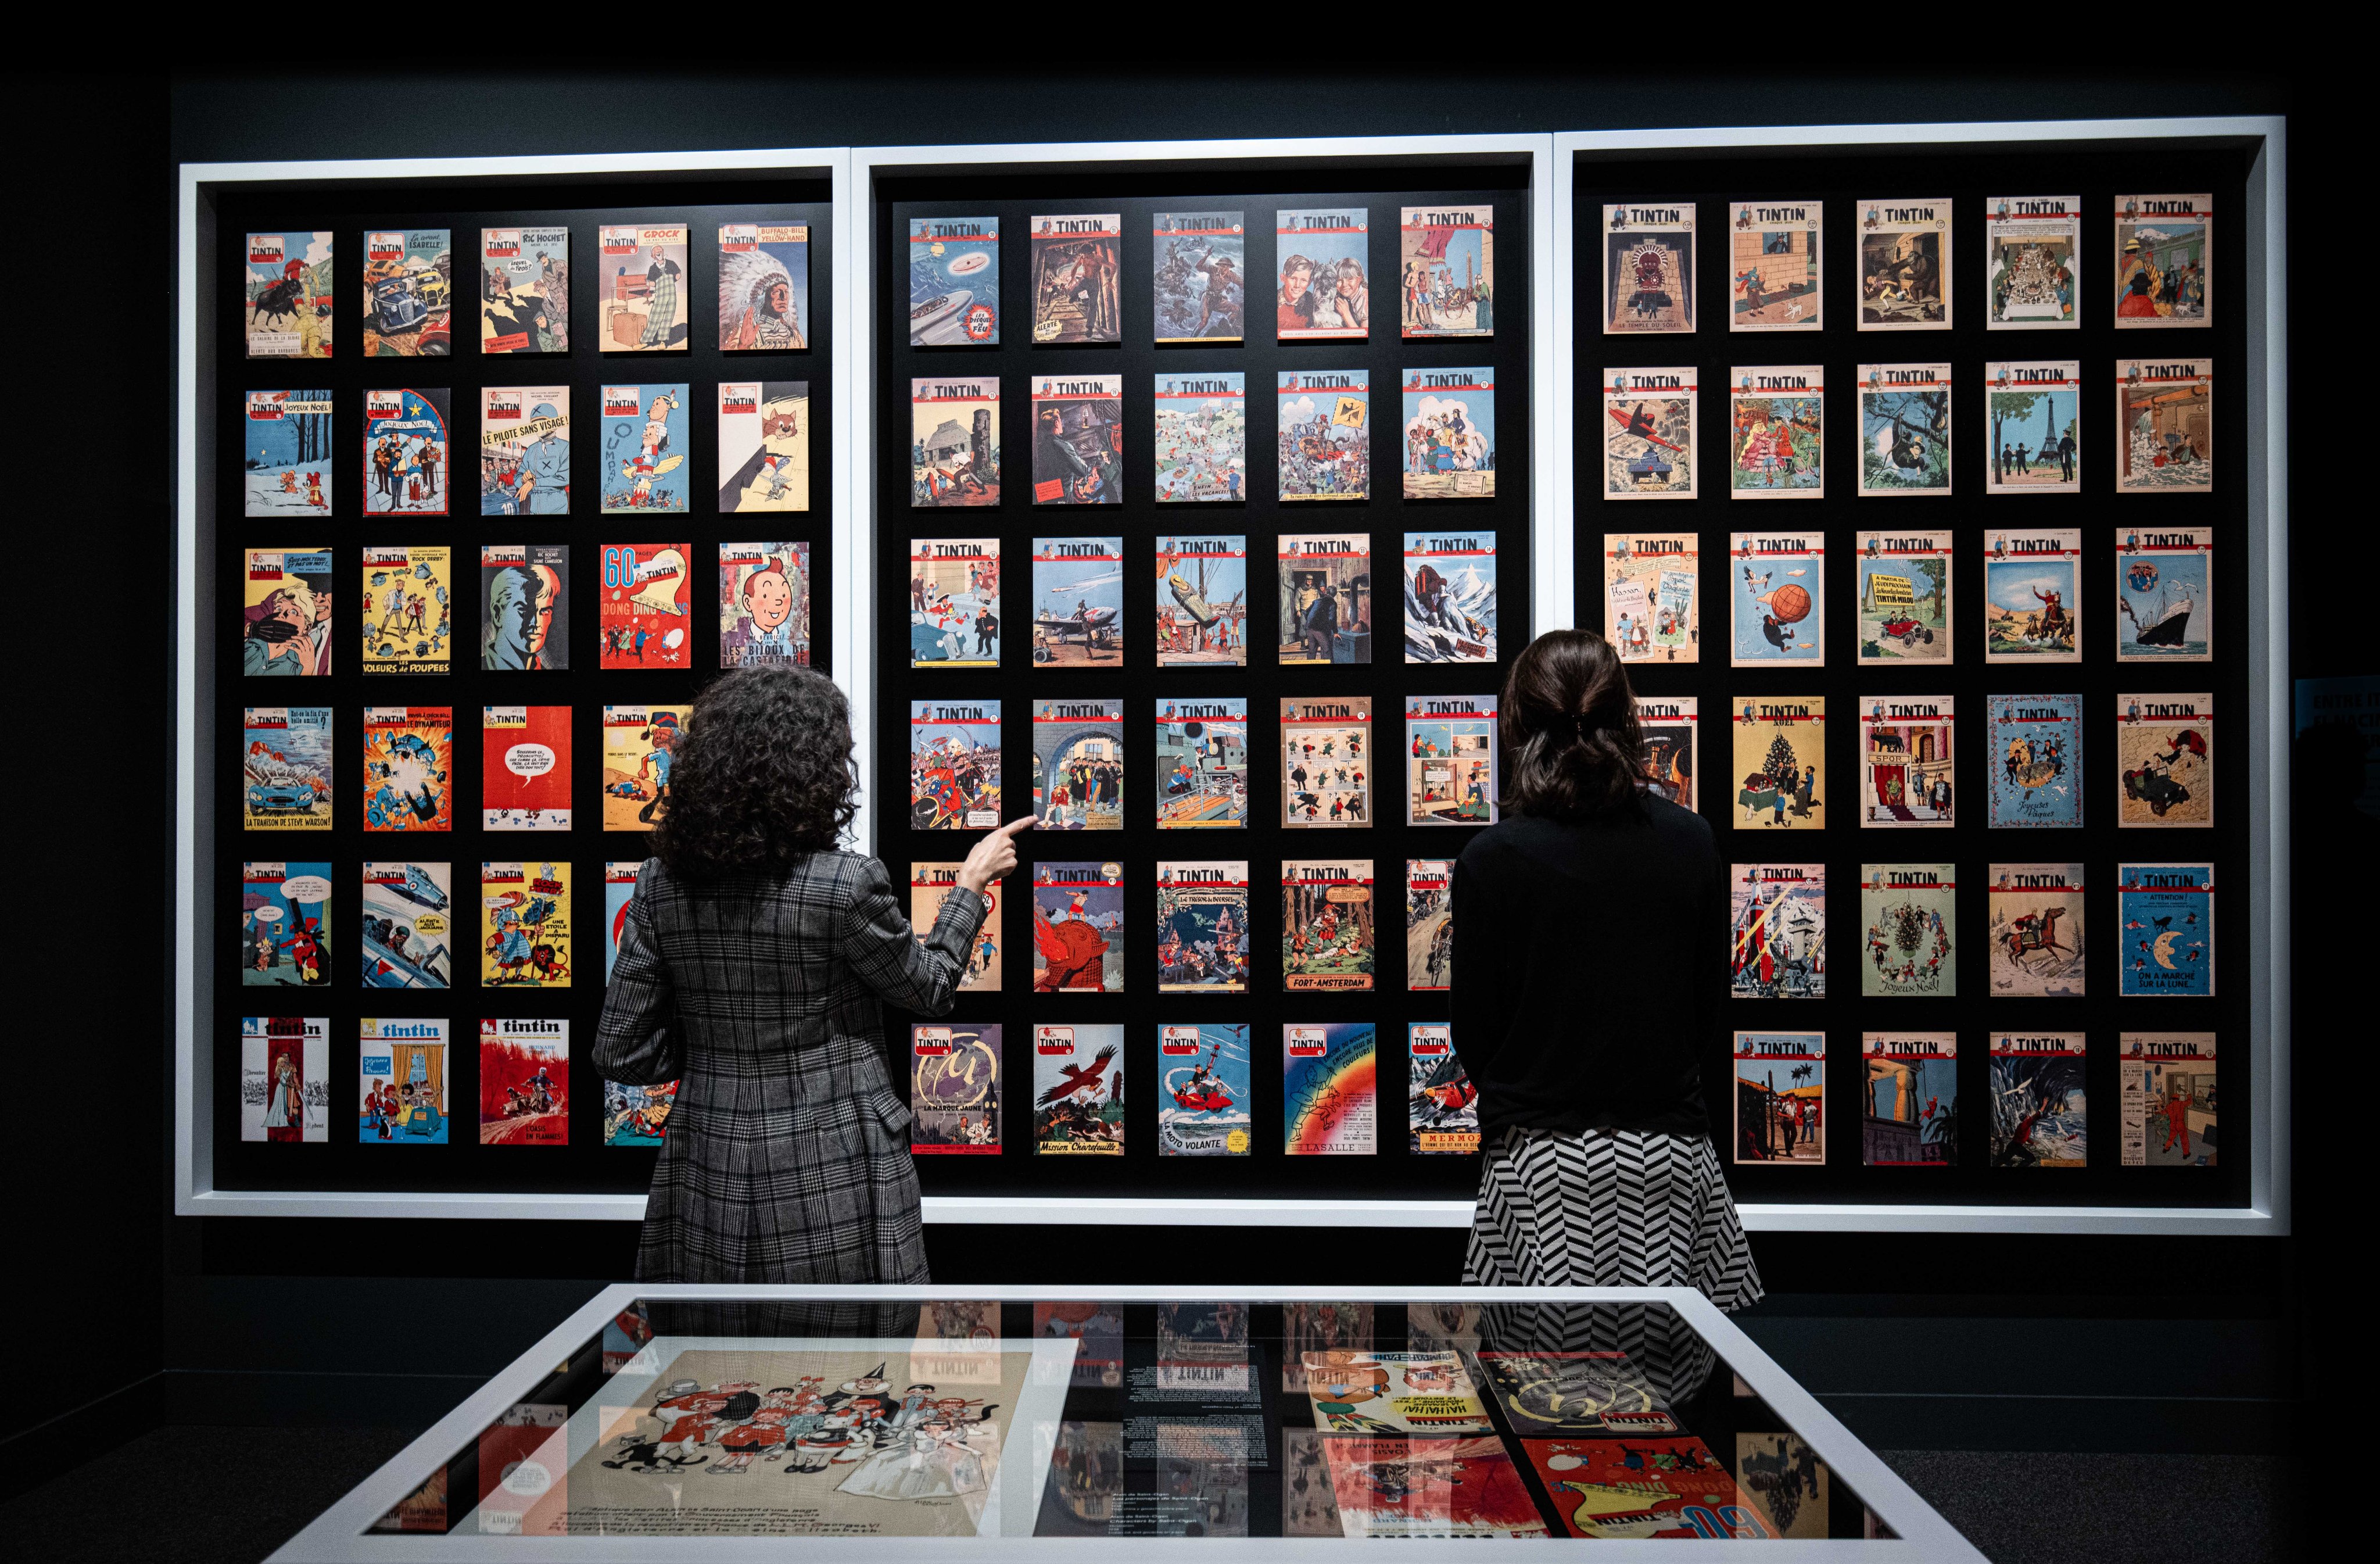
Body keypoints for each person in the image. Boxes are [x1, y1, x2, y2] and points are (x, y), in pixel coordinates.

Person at [595, 664, 1033, 1282]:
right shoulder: (842, 884)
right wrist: (970, 884)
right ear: (814, 769)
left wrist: (721, 1050)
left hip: (704, 1167)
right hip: (835, 1171)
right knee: (844, 1369)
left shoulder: (659, 884)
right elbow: (930, 988)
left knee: (707, 1369)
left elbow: (621, 1052)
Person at [1451, 629, 1761, 1309]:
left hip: (1537, 1172)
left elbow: (1476, 1034)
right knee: (1681, 1406)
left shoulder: (1491, 859)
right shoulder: (1691, 842)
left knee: (1540, 1400)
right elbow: (1707, 1010)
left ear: (1518, 725)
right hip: (1671, 1166)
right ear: (1627, 718)